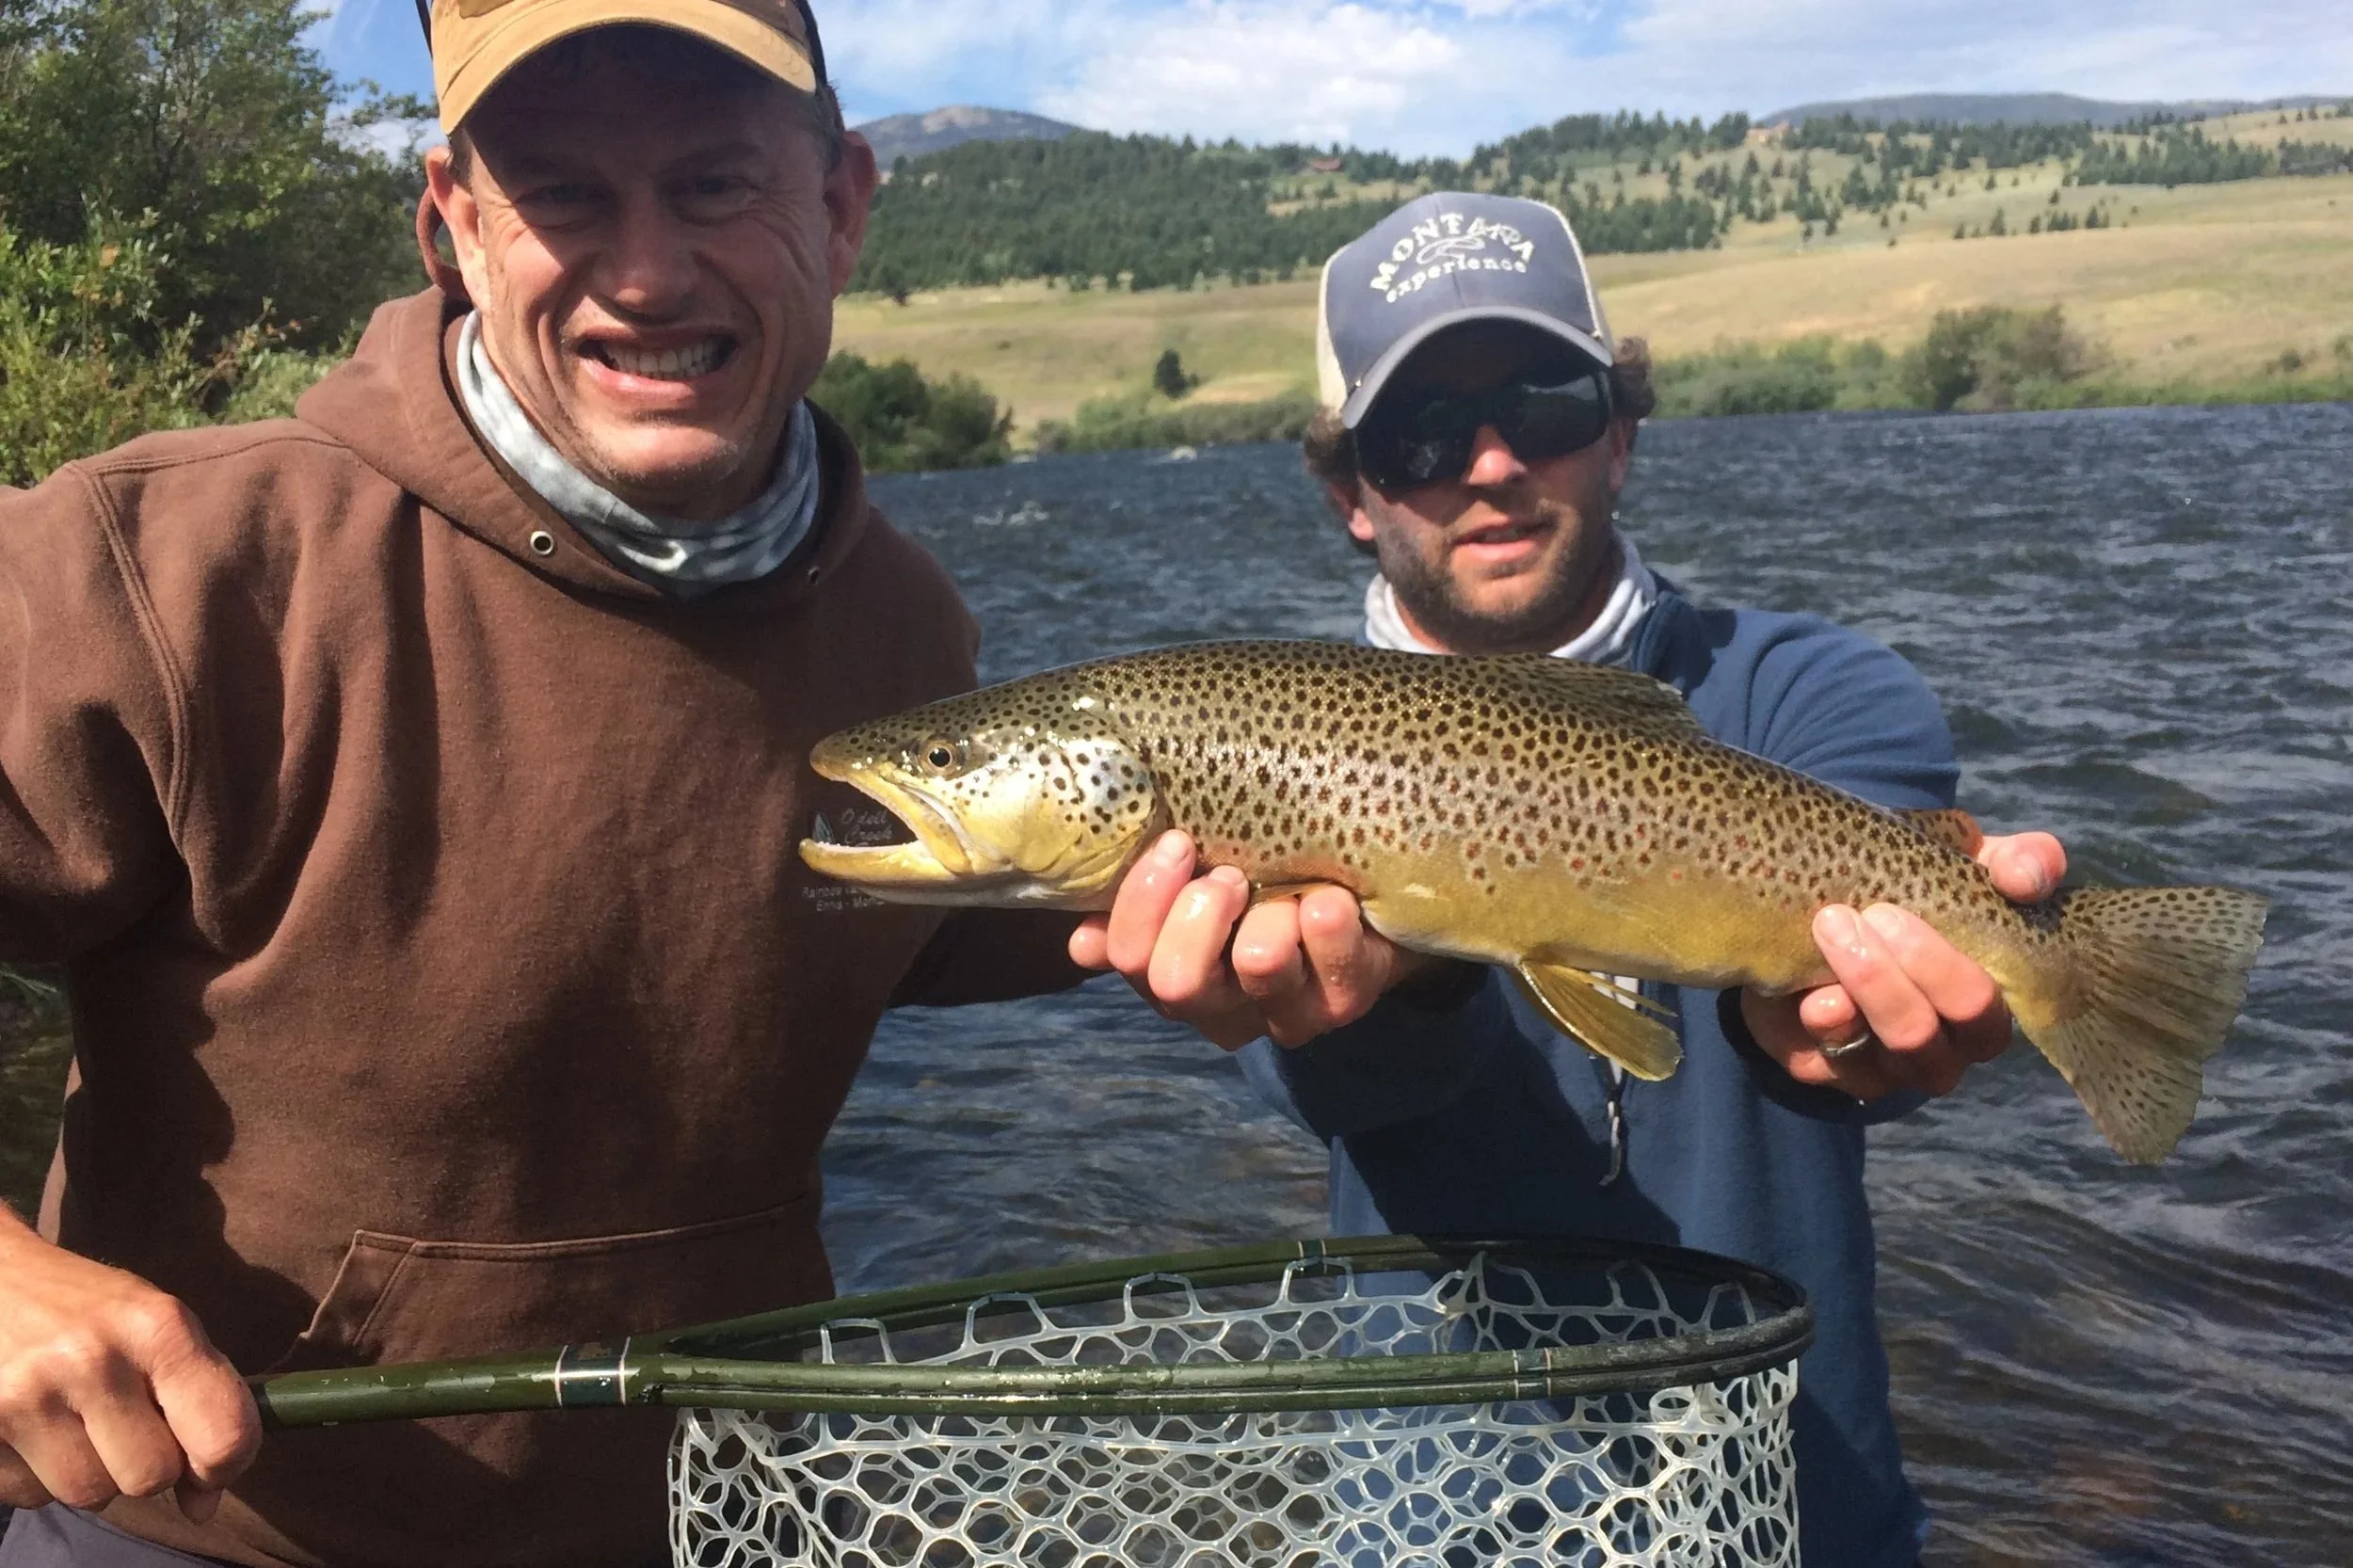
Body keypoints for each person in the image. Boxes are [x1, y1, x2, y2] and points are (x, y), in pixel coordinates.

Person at [0, 2, 1249, 1561]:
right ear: (453, 224)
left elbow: (1003, 917)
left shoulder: (907, 627)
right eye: (567, 196)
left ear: (842, 208)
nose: (647, 274)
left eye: (717, 184)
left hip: (729, 1520)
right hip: (194, 1536)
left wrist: (1331, 959)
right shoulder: (173, 564)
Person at [1078, 192, 2070, 1568]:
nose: (1489, 462)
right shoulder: (1264, 744)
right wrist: (1403, 982)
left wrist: (1826, 1034)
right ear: (1347, 489)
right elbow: (1342, 1089)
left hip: (1789, 1498)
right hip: (1433, 1519)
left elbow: (1838, 1042)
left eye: (1542, 402)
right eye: (1419, 431)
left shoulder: (1813, 693)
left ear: (1621, 429)